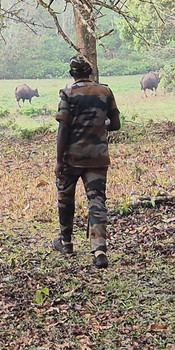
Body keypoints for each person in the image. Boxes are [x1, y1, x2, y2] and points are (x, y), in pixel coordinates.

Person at [52, 55, 121, 268]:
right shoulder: (106, 92)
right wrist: (99, 125)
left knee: (66, 198)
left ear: (72, 74)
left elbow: (63, 128)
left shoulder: (68, 93)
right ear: (90, 72)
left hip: (71, 157)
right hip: (97, 158)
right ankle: (99, 250)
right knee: (97, 202)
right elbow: (116, 124)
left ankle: (66, 242)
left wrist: (58, 161)